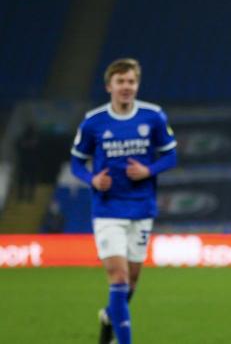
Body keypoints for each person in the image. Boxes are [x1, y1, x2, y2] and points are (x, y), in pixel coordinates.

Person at [70, 58, 177, 344]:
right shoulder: (94, 122)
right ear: (109, 86)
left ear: (137, 85)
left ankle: (109, 316)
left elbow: (170, 156)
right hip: (108, 209)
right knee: (118, 278)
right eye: (120, 82)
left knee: (131, 282)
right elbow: (76, 162)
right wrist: (92, 179)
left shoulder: (153, 117)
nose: (126, 86)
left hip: (142, 207)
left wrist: (148, 171)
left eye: (131, 81)